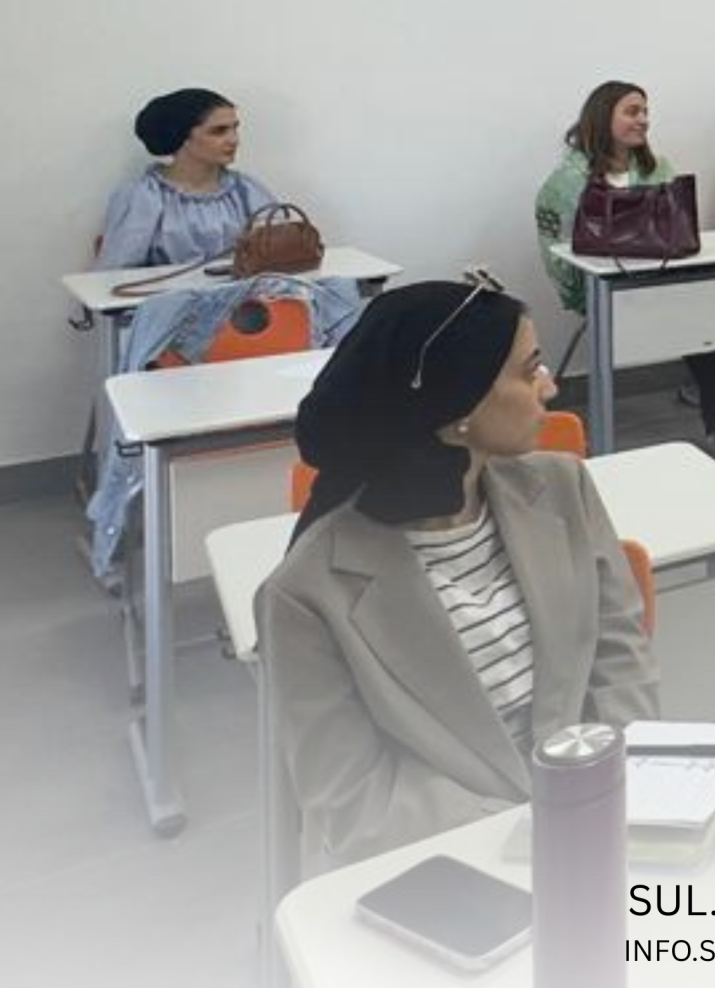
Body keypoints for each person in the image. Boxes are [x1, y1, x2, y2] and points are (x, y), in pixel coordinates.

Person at [259, 276, 656, 868]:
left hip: (596, 814)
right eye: (529, 370)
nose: (550, 385)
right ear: (458, 406)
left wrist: (604, 790)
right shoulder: (304, 594)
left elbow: (620, 657)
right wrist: (535, 835)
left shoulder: (563, 486)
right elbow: (355, 801)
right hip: (450, 866)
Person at [534, 81, 715, 465]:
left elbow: (679, 231)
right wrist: (582, 298)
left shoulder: (657, 168)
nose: (643, 120)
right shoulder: (565, 183)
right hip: (608, 294)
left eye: (645, 112)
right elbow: (555, 255)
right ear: (602, 117)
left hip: (667, 285)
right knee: (700, 322)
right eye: (632, 111)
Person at [96, 88, 280, 268]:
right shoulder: (142, 197)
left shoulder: (246, 191)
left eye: (235, 128)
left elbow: (279, 255)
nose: (234, 140)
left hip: (244, 288)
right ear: (180, 135)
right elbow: (116, 273)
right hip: (165, 289)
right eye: (219, 131)